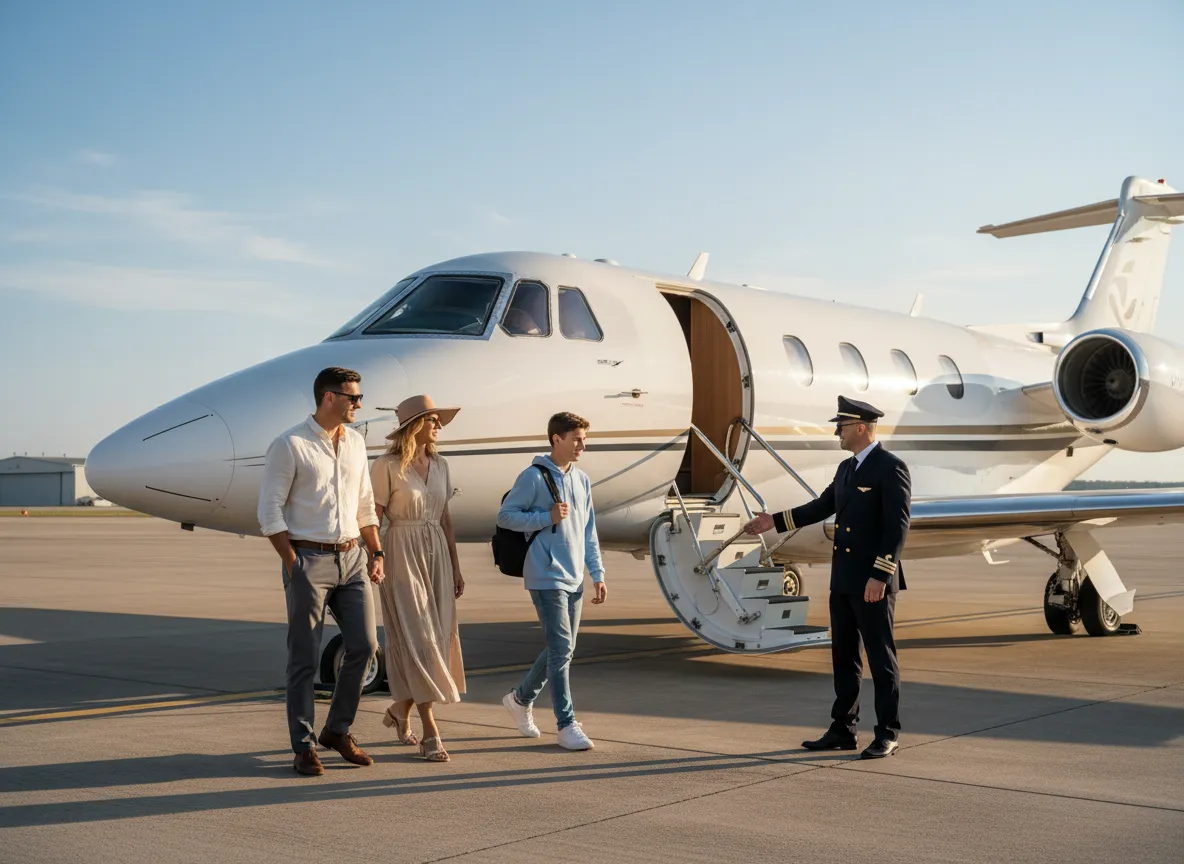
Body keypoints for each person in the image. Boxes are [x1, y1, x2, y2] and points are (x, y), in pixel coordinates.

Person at [743, 395, 911, 760]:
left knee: (881, 660)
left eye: (843, 425)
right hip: (845, 580)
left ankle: (887, 733)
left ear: (861, 428)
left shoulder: (889, 467)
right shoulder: (846, 469)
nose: (838, 431)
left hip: (872, 582)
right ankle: (843, 729)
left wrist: (880, 577)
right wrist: (773, 520)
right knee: (844, 657)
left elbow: (896, 529)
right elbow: (821, 506)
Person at [258, 366, 384, 777]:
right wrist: (292, 563)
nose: (359, 404)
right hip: (307, 560)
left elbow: (364, 503)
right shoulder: (290, 444)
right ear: (329, 397)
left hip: (352, 558)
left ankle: (337, 730)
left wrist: (375, 551)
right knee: (304, 658)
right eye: (353, 397)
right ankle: (303, 745)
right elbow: (269, 511)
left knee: (364, 646)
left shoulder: (356, 443)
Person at [497, 411, 606, 750]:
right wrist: (546, 517)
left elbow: (589, 531)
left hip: (574, 575)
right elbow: (506, 516)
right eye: (576, 439)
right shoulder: (533, 476)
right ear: (557, 439)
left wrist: (597, 573)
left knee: (563, 649)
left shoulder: (582, 479)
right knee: (561, 649)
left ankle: (519, 698)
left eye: (584, 440)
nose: (582, 446)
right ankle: (566, 724)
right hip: (545, 573)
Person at [370, 394, 466, 762]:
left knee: (437, 641)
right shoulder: (386, 465)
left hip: (437, 552)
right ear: (415, 426)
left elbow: (445, 519)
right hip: (401, 551)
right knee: (417, 638)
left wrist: (455, 566)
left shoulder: (441, 466)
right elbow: (373, 517)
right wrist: (375, 556)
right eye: (432, 420)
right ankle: (431, 731)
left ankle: (400, 711)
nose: (439, 426)